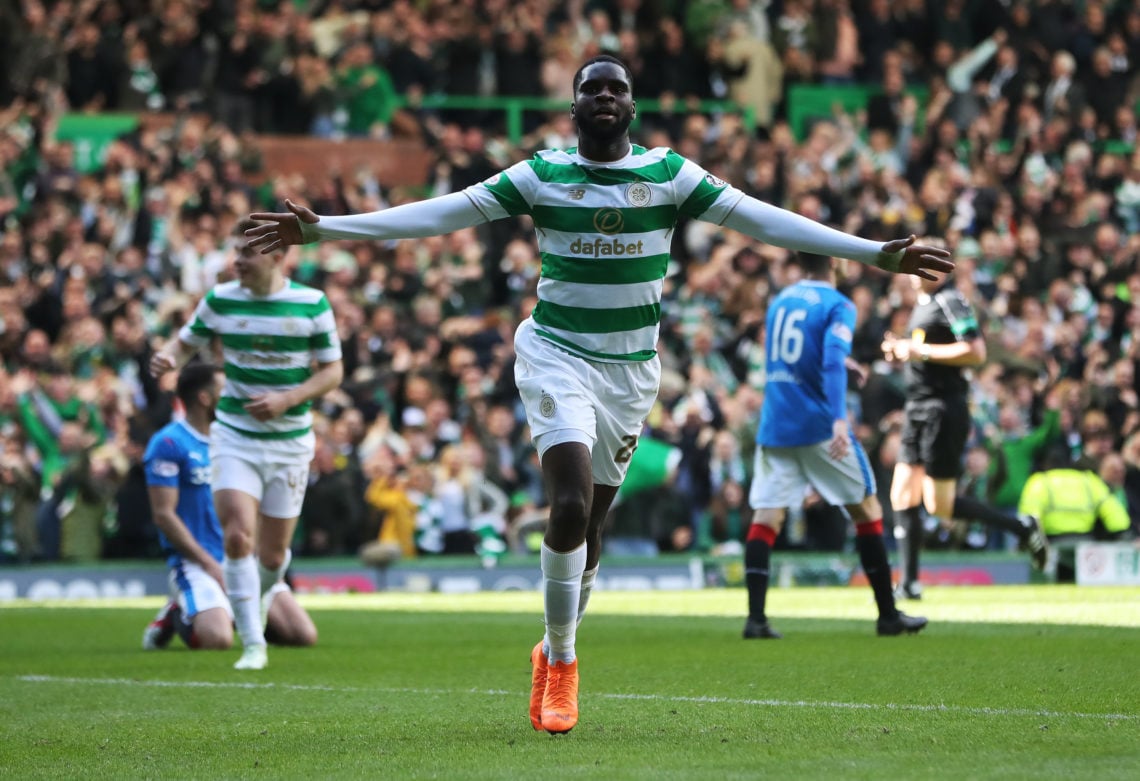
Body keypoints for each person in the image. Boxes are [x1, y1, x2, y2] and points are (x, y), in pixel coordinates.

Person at [244, 55, 953, 733]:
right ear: (575, 106)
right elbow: (442, 213)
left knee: (594, 529)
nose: (606, 97)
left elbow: (764, 218)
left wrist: (873, 251)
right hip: (556, 354)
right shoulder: (544, 175)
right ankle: (561, 657)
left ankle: (555, 638)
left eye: (617, 88)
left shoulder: (668, 175)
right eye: (594, 89)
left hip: (629, 371)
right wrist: (325, 227)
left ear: (632, 106)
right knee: (571, 504)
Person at [149, 220, 343, 670]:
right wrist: (166, 358)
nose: (236, 261)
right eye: (235, 252)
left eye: (246, 254)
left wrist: (287, 399)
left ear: (277, 257)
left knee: (273, 556)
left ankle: (250, 611)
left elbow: (332, 372)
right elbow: (184, 344)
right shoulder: (220, 301)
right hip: (235, 436)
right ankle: (254, 644)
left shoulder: (312, 304)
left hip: (290, 442)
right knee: (238, 535)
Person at [744, 252, 927, 639]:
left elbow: (795, 356)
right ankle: (888, 615)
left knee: (767, 518)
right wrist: (840, 419)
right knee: (867, 508)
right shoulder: (838, 304)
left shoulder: (781, 300)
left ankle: (756, 619)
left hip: (776, 422)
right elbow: (828, 360)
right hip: (817, 423)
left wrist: (845, 365)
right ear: (836, 263)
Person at [882, 254, 1048, 600]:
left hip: (943, 410)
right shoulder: (922, 306)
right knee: (902, 494)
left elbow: (975, 352)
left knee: (939, 506)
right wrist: (900, 350)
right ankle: (909, 583)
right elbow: (920, 350)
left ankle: (1021, 526)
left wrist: (917, 351)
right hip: (917, 408)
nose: (915, 271)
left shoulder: (951, 300)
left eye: (924, 264)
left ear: (941, 271)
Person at [141, 362, 318, 652]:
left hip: (243, 557)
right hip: (197, 562)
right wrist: (209, 565)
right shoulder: (169, 443)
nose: (234, 396)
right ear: (204, 398)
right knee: (217, 640)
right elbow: (164, 514)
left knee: (301, 634)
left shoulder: (239, 440)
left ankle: (225, 608)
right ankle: (176, 614)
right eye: (225, 390)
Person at [1018, 454, 1133, 582]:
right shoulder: (1089, 480)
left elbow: (1029, 520)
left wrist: (1024, 546)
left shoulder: (1039, 481)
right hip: (1088, 545)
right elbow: (1117, 519)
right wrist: (1126, 536)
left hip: (1053, 546)